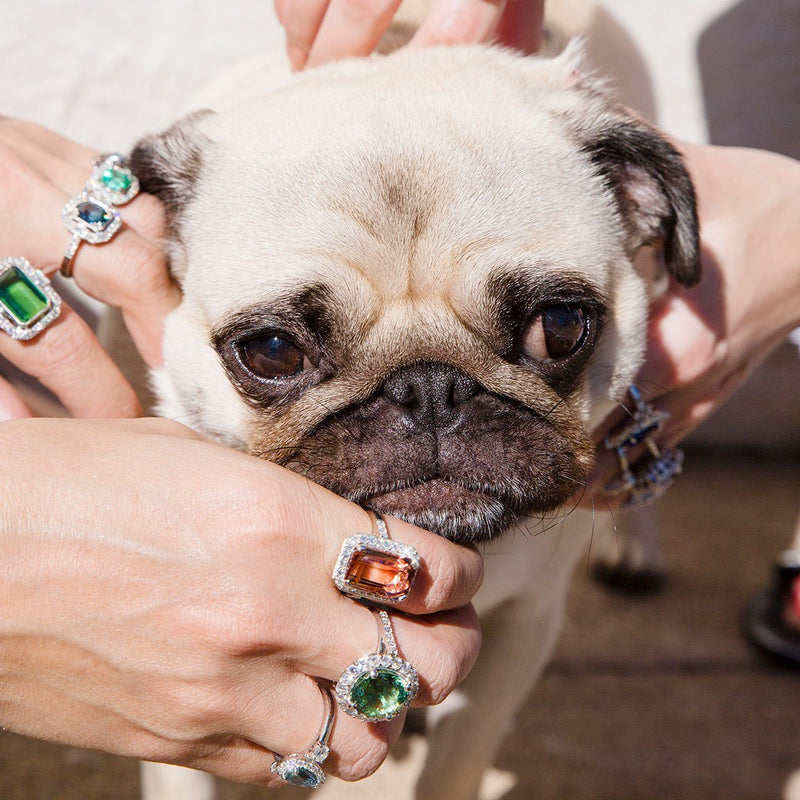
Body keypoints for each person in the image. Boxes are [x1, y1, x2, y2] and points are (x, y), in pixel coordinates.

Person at [1, 0, 799, 789]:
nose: (428, 412)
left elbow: (529, 608)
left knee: (535, 575)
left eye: (551, 333)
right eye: (276, 353)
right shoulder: (213, 187)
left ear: (647, 211)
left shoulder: (568, 138)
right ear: (163, 254)